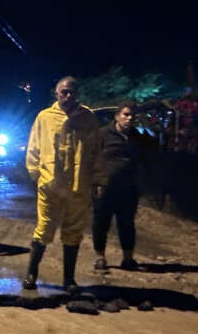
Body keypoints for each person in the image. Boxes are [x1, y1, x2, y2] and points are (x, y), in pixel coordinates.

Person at [22, 76, 106, 292]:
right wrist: (35, 174)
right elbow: (34, 147)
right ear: (57, 93)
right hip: (50, 183)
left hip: (79, 184)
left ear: (78, 94)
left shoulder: (88, 118)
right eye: (64, 92)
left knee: (73, 230)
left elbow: (96, 151)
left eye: (72, 92)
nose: (68, 96)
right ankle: (31, 273)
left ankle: (68, 279)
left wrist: (98, 180)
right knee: (44, 228)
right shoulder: (45, 117)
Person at [92, 102, 152, 271]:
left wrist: (141, 184)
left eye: (132, 115)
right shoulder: (102, 134)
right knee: (101, 222)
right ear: (117, 116)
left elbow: (145, 159)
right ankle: (100, 257)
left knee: (127, 224)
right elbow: (92, 158)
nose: (129, 118)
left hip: (129, 188)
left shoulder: (138, 136)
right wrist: (95, 182)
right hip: (105, 187)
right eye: (126, 114)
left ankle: (128, 259)